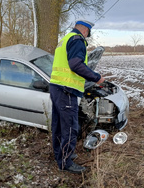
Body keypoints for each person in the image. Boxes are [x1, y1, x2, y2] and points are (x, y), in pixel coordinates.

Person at [49, 20, 105, 174]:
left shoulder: (65, 39)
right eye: (88, 33)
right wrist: (96, 77)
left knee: (59, 126)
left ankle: (60, 155)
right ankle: (66, 162)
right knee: (69, 127)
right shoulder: (77, 40)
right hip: (67, 90)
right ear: (86, 31)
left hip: (56, 87)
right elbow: (75, 64)